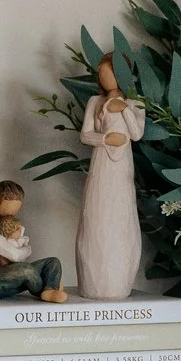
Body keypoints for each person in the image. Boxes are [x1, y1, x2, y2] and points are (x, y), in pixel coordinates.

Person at [74, 55, 146, 300]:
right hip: (101, 165)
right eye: (101, 74)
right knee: (97, 214)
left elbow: (135, 134)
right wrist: (105, 139)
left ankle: (118, 283)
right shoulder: (95, 101)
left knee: (120, 215)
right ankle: (92, 283)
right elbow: (85, 135)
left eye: (109, 73)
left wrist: (124, 109)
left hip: (123, 167)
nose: (104, 79)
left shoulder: (136, 104)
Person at [0, 180, 65, 301]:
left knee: (52, 263)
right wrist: (27, 248)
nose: (12, 215)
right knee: (25, 270)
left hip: (2, 274)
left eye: (15, 211)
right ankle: (48, 287)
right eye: (10, 211)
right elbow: (15, 255)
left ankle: (49, 290)